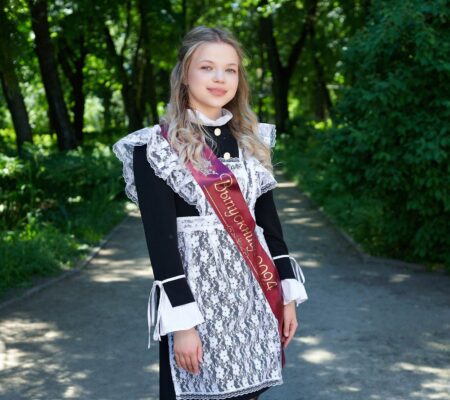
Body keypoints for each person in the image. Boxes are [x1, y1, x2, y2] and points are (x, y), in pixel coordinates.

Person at [112, 25, 308, 400]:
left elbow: (270, 226)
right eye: (207, 67)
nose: (220, 78)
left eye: (230, 69)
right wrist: (183, 324)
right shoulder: (154, 146)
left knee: (250, 392)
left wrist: (286, 294)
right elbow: (161, 244)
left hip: (254, 295)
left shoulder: (252, 139)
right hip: (198, 304)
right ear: (185, 74)